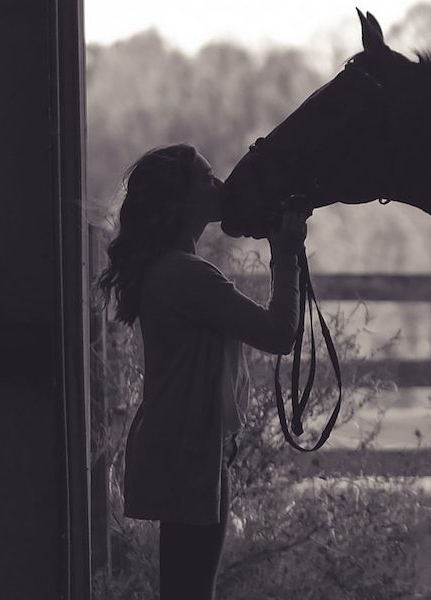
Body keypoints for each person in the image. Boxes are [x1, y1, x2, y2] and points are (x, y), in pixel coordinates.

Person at [94, 143, 306, 599]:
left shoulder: (166, 271)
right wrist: (285, 252)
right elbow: (278, 333)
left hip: (183, 444)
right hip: (191, 450)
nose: (219, 185)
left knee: (184, 587)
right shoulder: (188, 276)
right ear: (181, 199)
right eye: (206, 178)